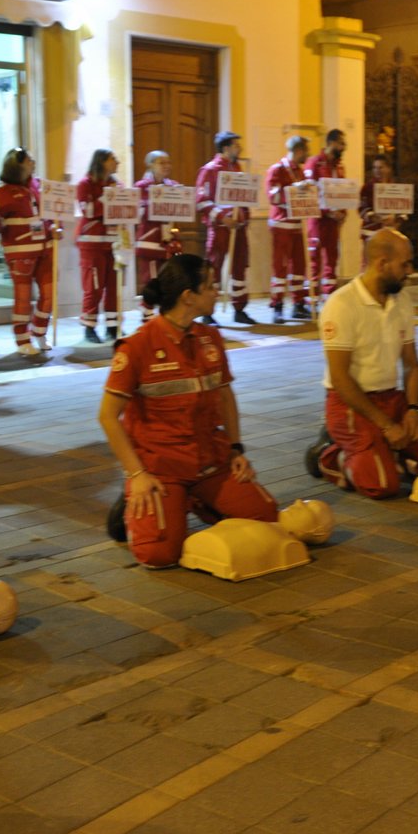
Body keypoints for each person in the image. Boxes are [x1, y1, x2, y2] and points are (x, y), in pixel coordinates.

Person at [98, 255, 278, 567]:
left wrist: (236, 449)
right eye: (210, 286)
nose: (216, 293)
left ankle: (189, 501)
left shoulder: (210, 338)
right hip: (160, 469)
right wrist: (137, 474)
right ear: (188, 297)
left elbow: (225, 396)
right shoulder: (137, 347)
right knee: (158, 555)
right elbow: (107, 416)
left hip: (211, 463)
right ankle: (141, 501)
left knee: (266, 517)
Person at [311, 230, 418, 497]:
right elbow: (340, 378)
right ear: (381, 264)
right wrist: (387, 425)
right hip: (350, 405)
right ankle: (331, 456)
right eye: (405, 264)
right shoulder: (341, 305)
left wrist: (413, 409)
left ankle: (391, 455)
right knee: (381, 485)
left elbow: (412, 364)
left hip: (392, 400)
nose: (410, 271)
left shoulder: (401, 301)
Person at [0, 148, 59, 359]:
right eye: (29, 159)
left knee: (49, 295)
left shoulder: (39, 185)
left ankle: (39, 332)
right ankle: (22, 339)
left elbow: (52, 213)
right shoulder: (1, 192)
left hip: (45, 249)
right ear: (17, 164)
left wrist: (56, 227)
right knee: (23, 298)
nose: (33, 161)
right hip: (20, 253)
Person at [195, 131, 250, 323]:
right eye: (236, 145)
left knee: (240, 269)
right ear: (226, 148)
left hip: (239, 228)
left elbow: (243, 198)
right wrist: (222, 218)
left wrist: (244, 218)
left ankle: (240, 309)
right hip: (220, 229)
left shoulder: (238, 169)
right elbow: (201, 201)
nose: (240, 148)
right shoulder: (209, 170)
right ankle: (207, 312)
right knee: (213, 270)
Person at [264, 135, 314, 325]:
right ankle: (277, 307)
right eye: (306, 152)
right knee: (280, 268)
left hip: (297, 225)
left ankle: (298, 304)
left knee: (299, 267)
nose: (308, 156)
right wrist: (295, 189)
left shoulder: (300, 171)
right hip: (281, 225)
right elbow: (273, 196)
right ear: (299, 151)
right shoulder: (277, 170)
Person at [76, 148, 124, 343]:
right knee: (93, 287)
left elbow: (124, 208)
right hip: (91, 245)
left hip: (113, 244)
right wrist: (110, 198)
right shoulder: (85, 184)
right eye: (113, 158)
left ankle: (113, 327)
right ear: (102, 161)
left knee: (114, 287)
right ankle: (89, 328)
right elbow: (88, 210)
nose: (118, 162)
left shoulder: (117, 185)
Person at [134, 150, 178, 319]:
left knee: (168, 280)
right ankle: (147, 314)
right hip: (149, 241)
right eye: (161, 162)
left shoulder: (174, 187)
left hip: (168, 242)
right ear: (150, 165)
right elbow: (136, 214)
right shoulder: (141, 187)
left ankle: (163, 316)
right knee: (151, 281)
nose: (167, 166)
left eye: (169, 162)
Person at [305, 129, 348, 302]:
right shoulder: (314, 164)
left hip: (333, 223)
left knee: (332, 258)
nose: (344, 147)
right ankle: (312, 300)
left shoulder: (339, 167)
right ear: (331, 143)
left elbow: (343, 192)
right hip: (317, 221)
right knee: (315, 259)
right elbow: (310, 193)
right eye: (341, 143)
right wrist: (327, 212)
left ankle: (329, 297)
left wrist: (343, 212)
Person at [358, 156, 398, 243]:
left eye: (380, 167)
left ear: (388, 169)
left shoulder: (396, 188)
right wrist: (373, 216)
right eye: (375, 168)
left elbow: (403, 209)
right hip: (371, 232)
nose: (377, 170)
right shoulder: (368, 187)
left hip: (391, 232)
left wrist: (395, 218)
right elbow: (361, 207)